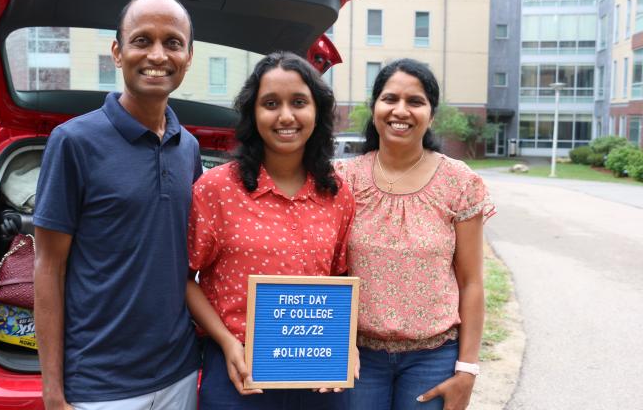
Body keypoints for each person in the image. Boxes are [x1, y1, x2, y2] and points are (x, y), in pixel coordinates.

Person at [34, 0, 201, 410]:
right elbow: (48, 268)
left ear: (189, 56)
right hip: (100, 385)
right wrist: (53, 391)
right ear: (117, 52)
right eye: (142, 40)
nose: (158, 55)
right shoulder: (73, 142)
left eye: (173, 42)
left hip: (179, 372)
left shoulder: (190, 148)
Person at [186, 51, 355, 410]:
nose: (286, 116)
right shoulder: (215, 189)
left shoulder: (338, 194)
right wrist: (227, 343)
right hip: (238, 371)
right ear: (253, 113)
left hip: (319, 377)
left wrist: (347, 343)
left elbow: (340, 278)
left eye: (298, 102)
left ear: (317, 112)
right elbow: (185, 278)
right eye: (270, 103)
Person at [336, 59, 495, 410]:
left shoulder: (460, 182)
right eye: (390, 98)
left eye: (415, 102)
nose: (400, 111)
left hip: (433, 358)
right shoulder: (344, 180)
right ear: (375, 106)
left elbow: (471, 282)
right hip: (356, 356)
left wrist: (467, 371)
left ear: (431, 115)